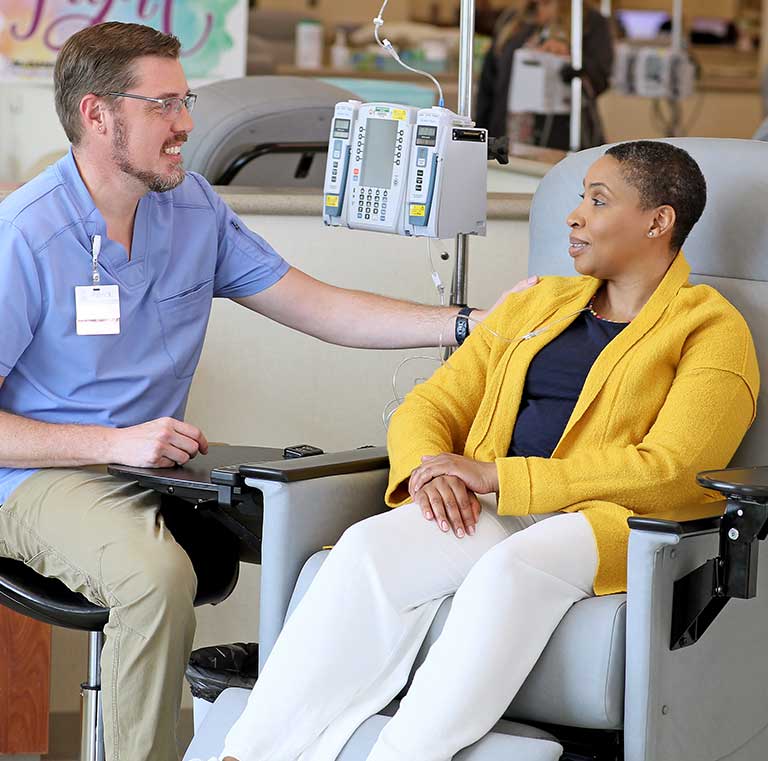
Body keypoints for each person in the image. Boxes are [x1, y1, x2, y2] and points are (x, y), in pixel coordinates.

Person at [0, 21, 535, 761]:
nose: (186, 122)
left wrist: (471, 324)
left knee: (325, 533)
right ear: (97, 114)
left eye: (186, 100)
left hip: (159, 471)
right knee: (153, 578)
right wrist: (113, 443)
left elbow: (316, 306)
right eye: (163, 106)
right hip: (41, 477)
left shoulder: (191, 208)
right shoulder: (24, 235)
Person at [218, 140, 759, 761]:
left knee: (512, 571)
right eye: (580, 196)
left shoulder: (711, 329)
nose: (574, 215)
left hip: (607, 521)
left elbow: (675, 471)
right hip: (492, 501)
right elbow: (431, 405)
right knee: (369, 548)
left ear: (658, 221)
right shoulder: (535, 304)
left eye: (598, 200)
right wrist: (431, 471)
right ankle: (250, 753)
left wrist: (496, 475)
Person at [476, 0, 614, 150]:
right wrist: (481, 137)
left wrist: (569, 59)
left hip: (564, 138)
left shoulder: (588, 20)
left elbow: (600, 78)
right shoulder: (514, 19)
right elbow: (489, 83)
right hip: (508, 133)